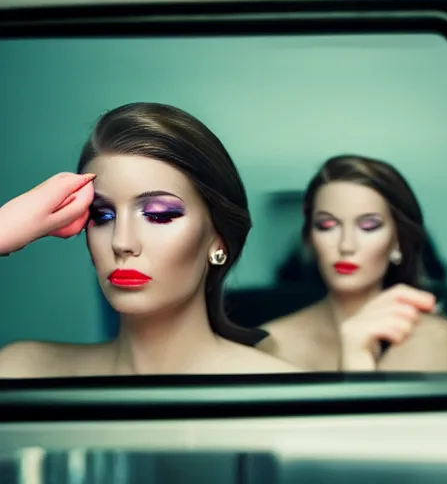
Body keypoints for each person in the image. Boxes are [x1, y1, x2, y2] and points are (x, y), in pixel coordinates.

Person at [0, 102, 299, 377]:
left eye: (159, 215)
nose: (122, 242)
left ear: (217, 241)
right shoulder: (22, 370)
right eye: (103, 215)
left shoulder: (283, 391)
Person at [257, 155, 447, 372]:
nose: (346, 245)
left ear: (397, 243)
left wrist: (356, 359)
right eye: (327, 225)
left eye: (368, 226)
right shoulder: (273, 342)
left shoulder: (434, 338)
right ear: (311, 237)